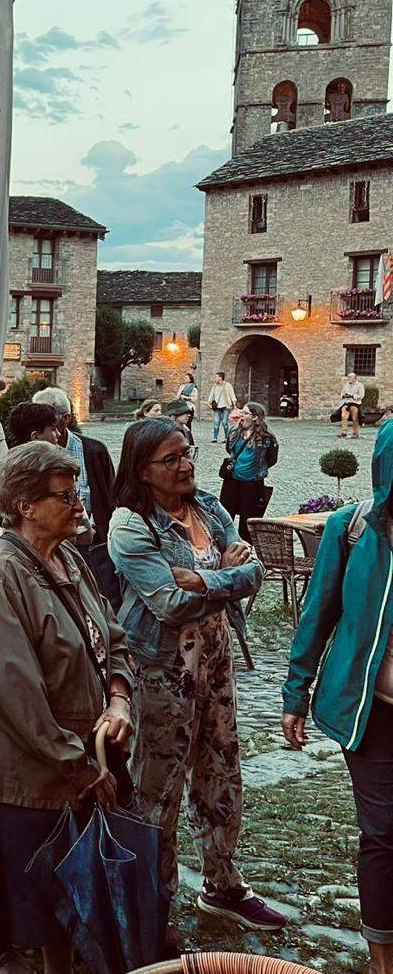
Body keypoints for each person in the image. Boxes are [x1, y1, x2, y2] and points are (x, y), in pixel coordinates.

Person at [0, 442, 134, 974]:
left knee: (59, 881)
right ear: (25, 505)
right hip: (11, 766)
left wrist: (120, 697)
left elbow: (111, 634)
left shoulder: (68, 560)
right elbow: (11, 690)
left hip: (68, 759)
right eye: (64, 493)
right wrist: (80, 766)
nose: (78, 502)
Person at [108, 418, 283, 932]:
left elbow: (257, 572)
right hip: (162, 669)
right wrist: (226, 577)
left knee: (221, 767)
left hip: (215, 657)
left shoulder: (207, 504)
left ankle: (223, 884)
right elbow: (166, 603)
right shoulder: (130, 524)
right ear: (143, 469)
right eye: (172, 458)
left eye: (188, 454)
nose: (186, 465)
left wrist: (204, 578)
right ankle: (151, 900)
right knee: (157, 785)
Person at [283, 423, 393, 974]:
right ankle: (383, 969)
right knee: (382, 834)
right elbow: (316, 615)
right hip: (369, 712)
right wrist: (295, 693)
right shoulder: (349, 531)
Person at [33, 386, 118, 605]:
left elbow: (111, 498)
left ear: (66, 419)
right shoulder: (30, 456)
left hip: (90, 546)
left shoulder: (94, 451)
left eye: (47, 416)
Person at [220, 401, 278, 535]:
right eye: (242, 412)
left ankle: (245, 548)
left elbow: (271, 459)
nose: (241, 416)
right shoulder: (234, 432)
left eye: (245, 413)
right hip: (232, 481)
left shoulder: (266, 438)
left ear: (255, 417)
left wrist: (256, 467)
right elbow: (229, 449)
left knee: (248, 520)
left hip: (252, 482)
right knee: (225, 516)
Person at [207, 370, 236, 444]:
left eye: (216, 376)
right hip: (217, 407)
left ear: (220, 377)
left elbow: (232, 395)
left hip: (226, 406)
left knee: (224, 422)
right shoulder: (214, 386)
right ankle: (215, 438)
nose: (215, 378)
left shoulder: (227, 385)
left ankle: (226, 438)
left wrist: (234, 404)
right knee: (216, 423)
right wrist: (209, 402)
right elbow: (211, 395)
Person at [340, 369, 366, 439]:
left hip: (355, 404)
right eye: (348, 377)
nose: (348, 379)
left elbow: (362, 395)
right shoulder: (346, 385)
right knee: (343, 417)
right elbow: (342, 393)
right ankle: (344, 433)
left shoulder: (360, 385)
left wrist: (352, 396)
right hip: (347, 403)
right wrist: (344, 396)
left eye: (350, 377)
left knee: (355, 419)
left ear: (354, 378)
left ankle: (355, 433)